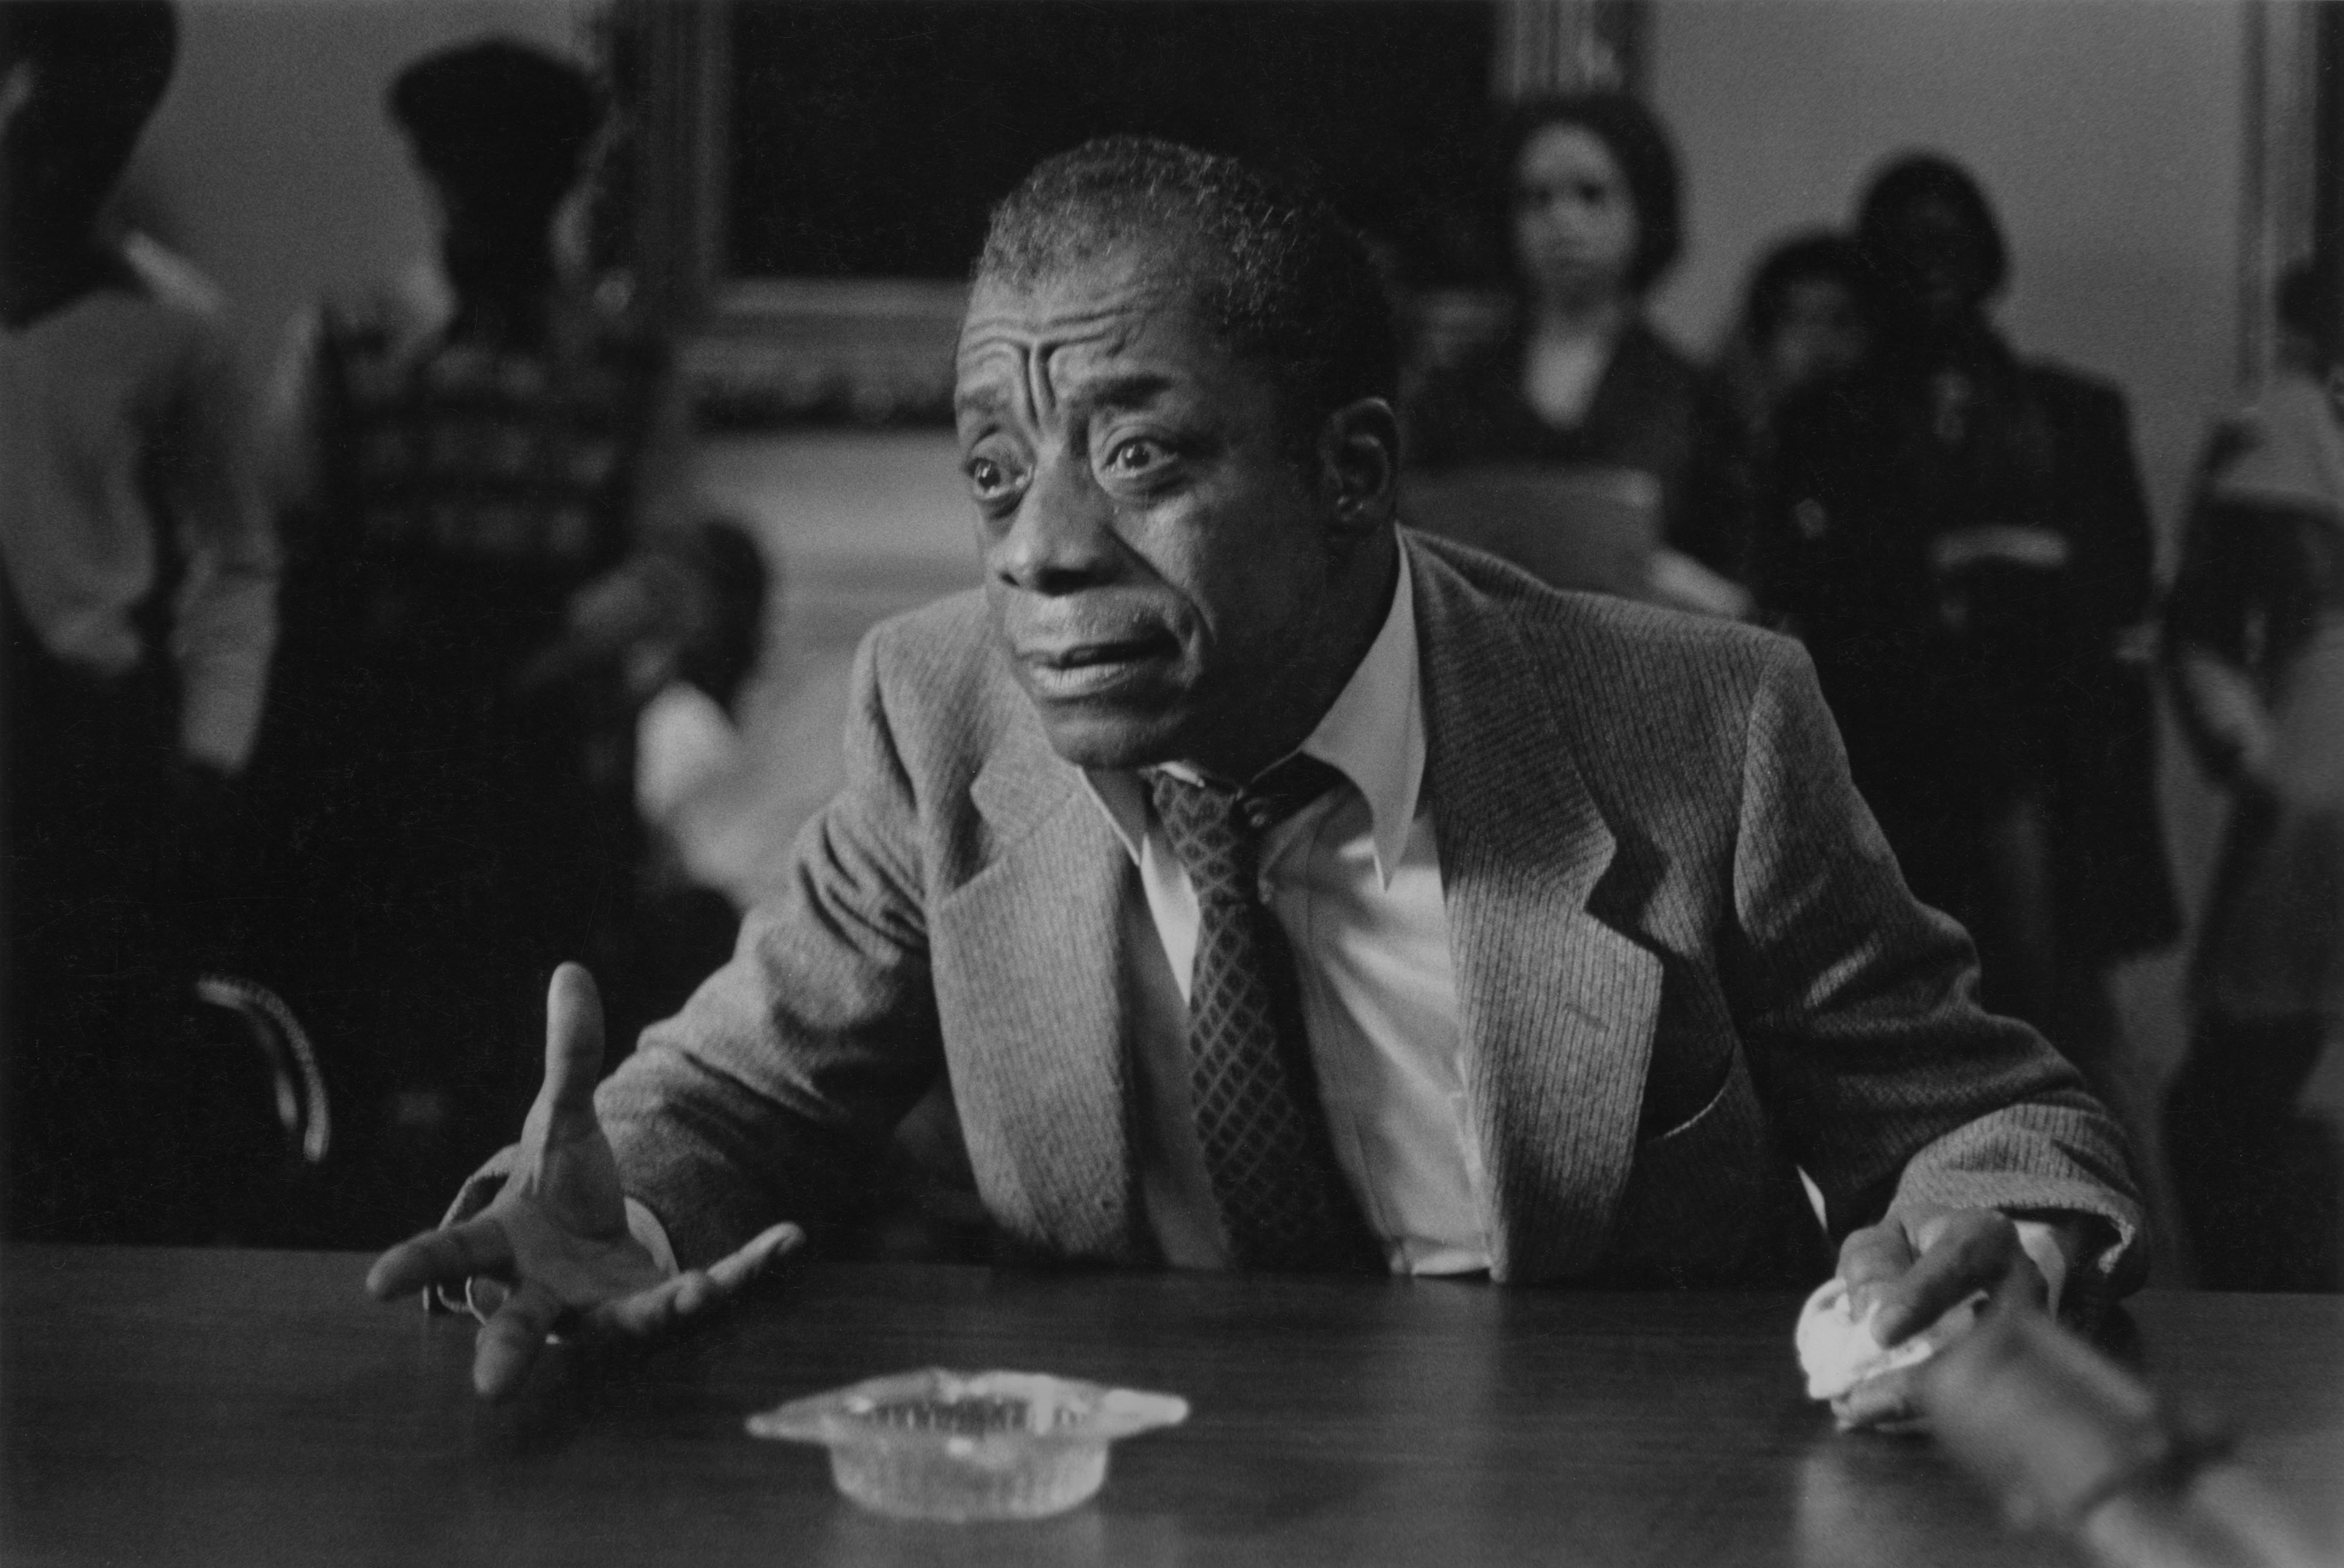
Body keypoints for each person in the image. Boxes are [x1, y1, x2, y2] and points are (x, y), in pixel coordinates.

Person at [369, 139, 2146, 1427]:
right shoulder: (942, 709)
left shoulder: (1695, 728)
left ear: (1351, 471)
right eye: (996, 473)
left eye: (1140, 456)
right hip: (1138, 1491)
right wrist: (619, 1207)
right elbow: (745, 1086)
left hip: (1610, 1498)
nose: (1042, 549)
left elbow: (1992, 1124)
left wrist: (1986, 1241)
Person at [257, 37, 739, 1241]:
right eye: (464, 176)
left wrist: (539, 648)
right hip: (376, 755)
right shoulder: (349, 341)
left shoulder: (623, 364)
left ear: (562, 183)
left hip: (541, 756)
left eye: (517, 178)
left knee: (527, 1056)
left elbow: (670, 568)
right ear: (430, 177)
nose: (488, 205)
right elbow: (284, 541)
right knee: (363, 1062)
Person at [1759, 154, 2177, 1085]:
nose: (1932, 268)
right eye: (1906, 248)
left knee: (2066, 1034)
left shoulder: (2073, 415)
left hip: (2043, 767)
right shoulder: (1824, 425)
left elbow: (2120, 594)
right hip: (1889, 763)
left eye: (1950, 245)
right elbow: (1805, 590)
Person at [1, 0, 280, 1240]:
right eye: (43, 130)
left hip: (80, 759)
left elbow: (238, 559)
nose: (65, 170)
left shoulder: (174, 328)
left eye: (102, 142)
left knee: (77, 1118)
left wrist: (209, 754)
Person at [2159, 257, 2344, 1292]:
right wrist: (2258, 759)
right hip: (2320, 798)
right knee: (2245, 1087)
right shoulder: (2270, 437)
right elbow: (2201, 627)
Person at [1407, 91, 1745, 615]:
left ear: (1644, 207)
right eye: (1536, 199)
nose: (1562, 221)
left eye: (1592, 195)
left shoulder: (1695, 398)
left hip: (1644, 648)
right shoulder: (1454, 392)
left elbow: (1743, 585)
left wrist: (1674, 580)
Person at [1710, 231, 1874, 587]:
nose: (1820, 342)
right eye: (1800, 320)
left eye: (1841, 321)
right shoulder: (1726, 439)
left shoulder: (1879, 445)